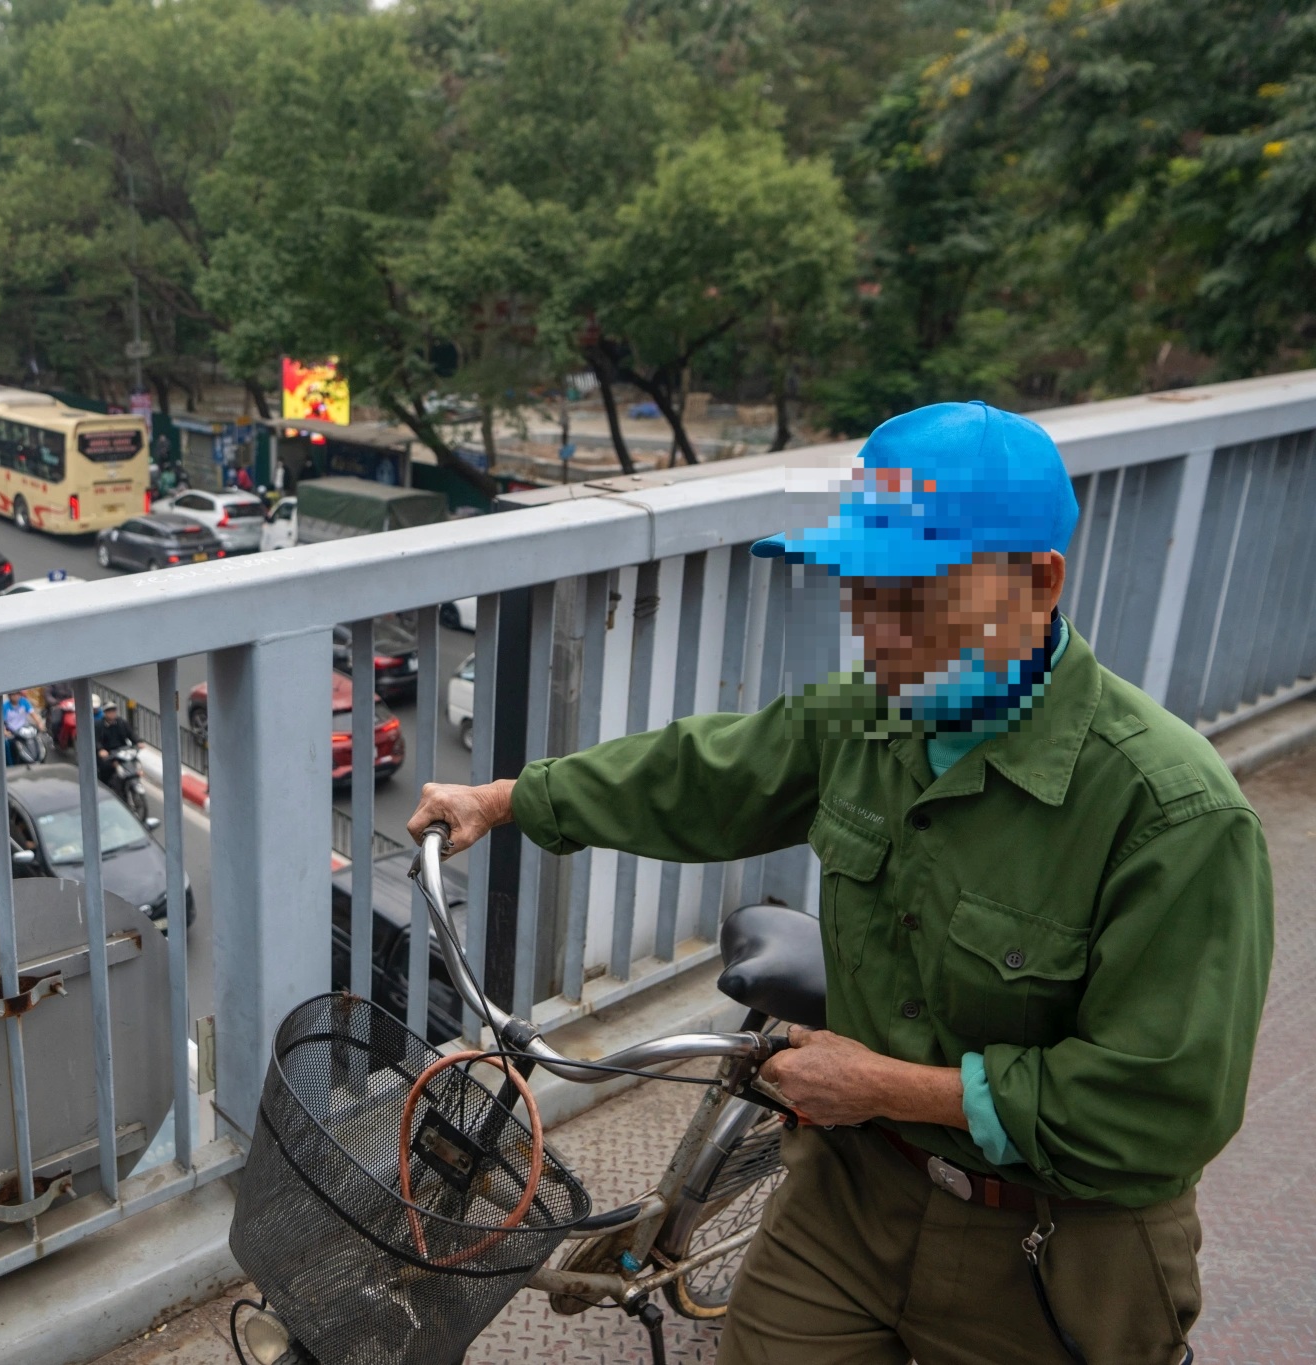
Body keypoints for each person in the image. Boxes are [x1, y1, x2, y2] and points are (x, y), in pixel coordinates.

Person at [408, 400, 1271, 1365]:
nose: (876, 633)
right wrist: (511, 797)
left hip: (1056, 1239)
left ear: (1037, 583)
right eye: (863, 592)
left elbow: (1162, 1106)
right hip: (856, 1190)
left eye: (912, 599)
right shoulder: (872, 714)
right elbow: (709, 771)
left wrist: (891, 1086)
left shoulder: (1171, 812)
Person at [93, 701, 136, 788]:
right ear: (105, 713)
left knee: (134, 763)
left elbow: (131, 734)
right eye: (109, 711)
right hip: (108, 754)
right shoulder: (98, 725)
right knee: (106, 769)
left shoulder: (122, 723)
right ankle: (106, 788)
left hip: (121, 752)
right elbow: (96, 740)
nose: (112, 713)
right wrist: (101, 749)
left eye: (113, 711)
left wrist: (138, 742)